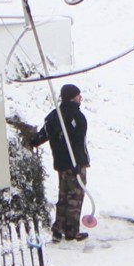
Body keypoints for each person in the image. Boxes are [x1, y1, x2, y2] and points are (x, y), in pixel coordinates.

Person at [45, 84, 90, 243]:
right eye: (78, 95)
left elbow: (44, 133)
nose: (80, 98)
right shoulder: (77, 117)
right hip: (74, 163)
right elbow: (78, 143)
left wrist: (31, 141)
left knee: (63, 196)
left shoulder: (54, 115)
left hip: (61, 163)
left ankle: (58, 229)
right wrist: (78, 164)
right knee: (75, 197)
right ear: (72, 97)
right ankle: (71, 231)